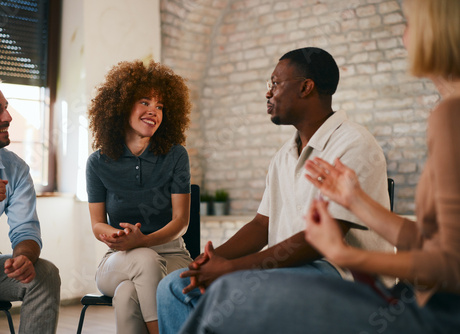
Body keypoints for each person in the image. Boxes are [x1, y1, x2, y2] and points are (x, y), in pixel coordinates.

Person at [179, 1, 460, 333]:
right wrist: (357, 201)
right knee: (179, 289)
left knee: (228, 291)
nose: (403, 35)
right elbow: (428, 243)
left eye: (410, 23)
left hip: (432, 315)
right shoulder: (446, 115)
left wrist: (345, 254)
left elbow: (450, 267)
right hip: (418, 300)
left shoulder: (448, 118)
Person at [157, 47, 394, 334]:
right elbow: (261, 224)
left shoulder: (353, 144)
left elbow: (321, 240)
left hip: (341, 274)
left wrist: (233, 269)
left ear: (306, 87)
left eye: (275, 83)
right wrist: (208, 261)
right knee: (174, 286)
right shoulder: (284, 155)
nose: (268, 93)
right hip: (287, 270)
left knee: (232, 287)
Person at [86, 60, 193, 334]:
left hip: (172, 256)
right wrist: (118, 237)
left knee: (126, 295)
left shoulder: (176, 155)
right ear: (121, 107)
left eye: (159, 106)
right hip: (120, 258)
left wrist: (144, 240)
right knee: (143, 259)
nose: (153, 111)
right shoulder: (98, 163)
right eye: (144, 102)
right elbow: (97, 224)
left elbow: (181, 221)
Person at [0, 76, 60, 333]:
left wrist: (24, 258)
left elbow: (26, 229)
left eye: (5, 107)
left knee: (44, 274)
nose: (8, 116)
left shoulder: (15, 169)